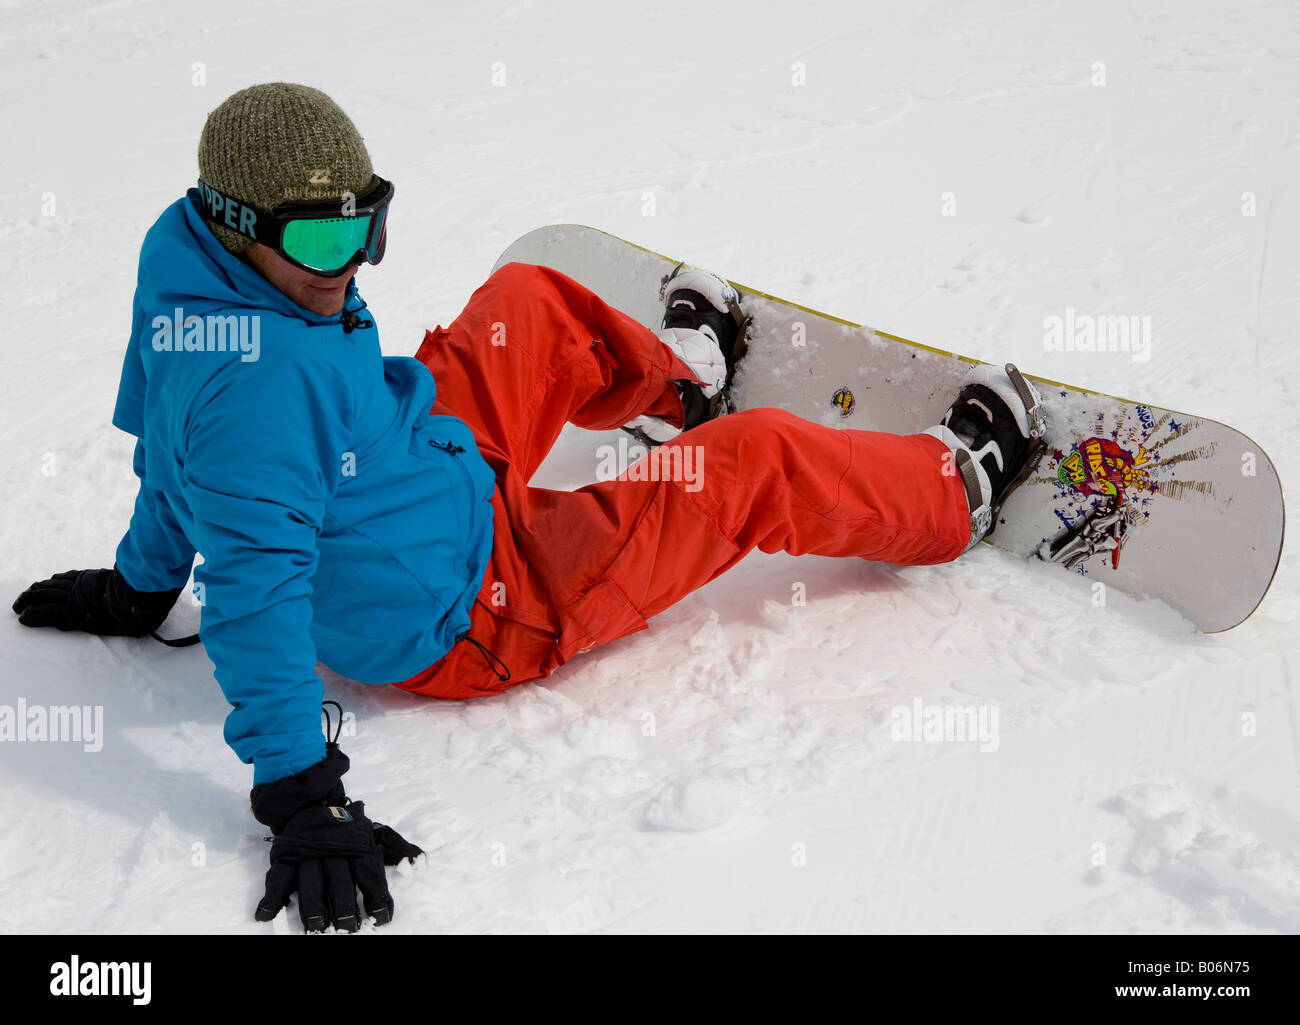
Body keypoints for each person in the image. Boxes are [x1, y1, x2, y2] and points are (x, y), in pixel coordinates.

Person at [11, 83, 1045, 932]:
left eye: (366, 227)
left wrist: (139, 584)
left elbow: (168, 462)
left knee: (530, 305)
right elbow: (253, 589)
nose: (354, 267)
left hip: (424, 456)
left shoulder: (186, 264)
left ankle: (677, 382)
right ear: (241, 230)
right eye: (323, 248)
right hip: (483, 600)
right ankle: (955, 489)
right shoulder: (258, 399)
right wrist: (298, 791)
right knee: (745, 465)